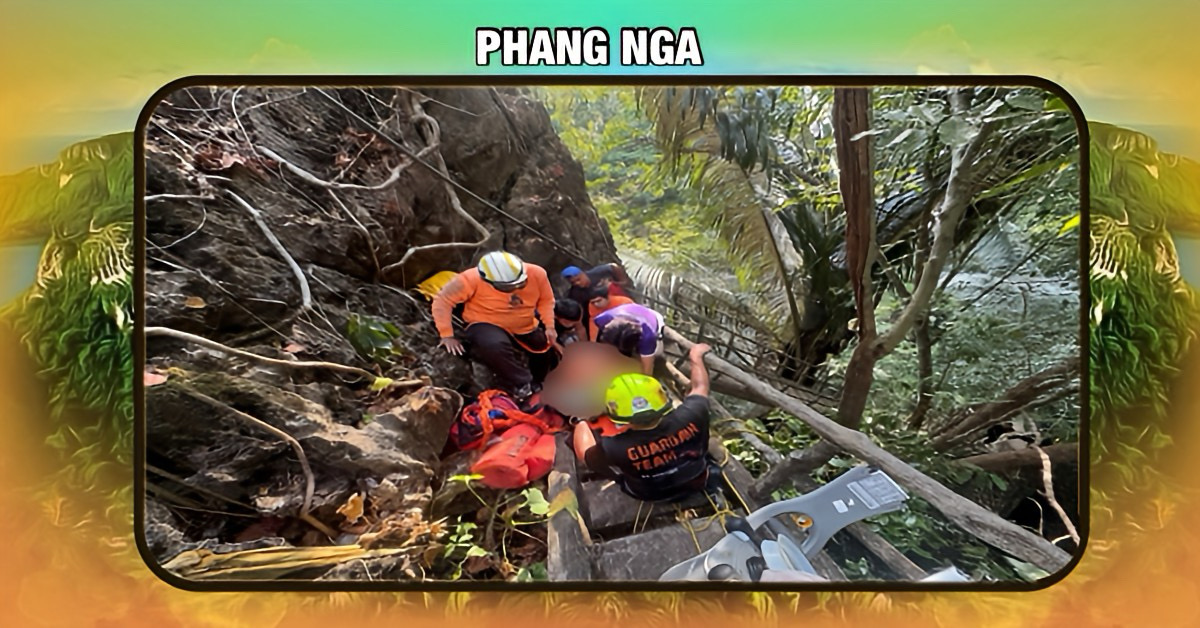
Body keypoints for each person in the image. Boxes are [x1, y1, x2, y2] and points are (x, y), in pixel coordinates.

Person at [572, 343, 713, 502]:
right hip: (697, 482)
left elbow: (585, 456)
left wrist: (581, 420)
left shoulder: (614, 447)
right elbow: (700, 387)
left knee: (589, 441)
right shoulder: (693, 415)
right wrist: (696, 357)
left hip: (650, 495)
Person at [432, 250, 556, 403]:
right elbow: (443, 300)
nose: (516, 288)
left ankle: (542, 381)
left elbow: (546, 301)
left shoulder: (537, 274)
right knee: (493, 345)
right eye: (507, 287)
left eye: (519, 283)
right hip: (484, 321)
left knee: (542, 345)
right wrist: (447, 334)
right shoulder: (469, 279)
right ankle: (523, 383)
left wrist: (550, 326)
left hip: (523, 323)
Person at [593, 302, 666, 375]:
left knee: (648, 360)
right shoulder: (601, 319)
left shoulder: (647, 336)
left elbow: (647, 371)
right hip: (632, 311)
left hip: (652, 319)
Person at [562, 263, 633, 335]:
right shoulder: (575, 293)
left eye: (578, 279)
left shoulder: (596, 273)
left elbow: (613, 266)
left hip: (614, 300)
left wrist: (623, 281)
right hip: (596, 311)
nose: (577, 283)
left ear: (583, 274)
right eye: (573, 282)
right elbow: (577, 308)